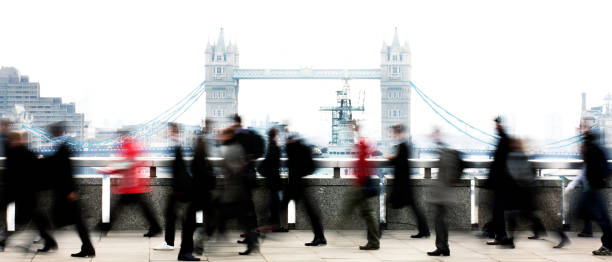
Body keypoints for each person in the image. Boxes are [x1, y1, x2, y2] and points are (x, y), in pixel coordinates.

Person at [44, 122, 95, 257]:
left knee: (75, 221)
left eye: (52, 130)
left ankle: (47, 241)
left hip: (66, 192)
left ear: (57, 131)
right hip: (65, 191)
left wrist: (71, 191)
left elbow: (65, 170)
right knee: (76, 221)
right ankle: (87, 247)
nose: (50, 133)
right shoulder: (63, 145)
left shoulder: (63, 146)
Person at [98, 131, 161, 238]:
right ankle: (155, 227)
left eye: (118, 138)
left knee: (119, 208)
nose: (117, 140)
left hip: (132, 185)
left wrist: (109, 171)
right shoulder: (132, 145)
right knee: (142, 208)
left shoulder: (128, 146)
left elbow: (126, 164)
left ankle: (104, 226)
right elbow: (128, 164)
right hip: (133, 185)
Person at [0, 131, 55, 253]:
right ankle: (49, 240)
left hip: (21, 193)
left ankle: (3, 241)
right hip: (25, 193)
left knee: (25, 219)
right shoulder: (24, 153)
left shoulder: (17, 153)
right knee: (32, 218)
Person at [215, 126, 259, 255]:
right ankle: (252, 244)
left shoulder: (231, 149)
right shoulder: (235, 147)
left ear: (228, 136)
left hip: (235, 191)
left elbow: (235, 169)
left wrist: (227, 166)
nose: (220, 137)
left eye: (222, 135)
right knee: (243, 220)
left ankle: (211, 238)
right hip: (237, 191)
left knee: (225, 216)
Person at [177, 131, 216, 261]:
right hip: (201, 197)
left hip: (197, 197)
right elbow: (208, 179)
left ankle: (187, 250)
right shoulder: (202, 161)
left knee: (191, 225)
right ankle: (187, 251)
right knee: (196, 225)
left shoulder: (197, 159)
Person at [341, 121, 380, 250]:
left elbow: (362, 144)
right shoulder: (364, 146)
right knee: (367, 212)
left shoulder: (363, 145)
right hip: (362, 181)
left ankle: (374, 241)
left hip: (362, 182)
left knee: (368, 213)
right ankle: (374, 240)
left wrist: (357, 130)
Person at [155, 123, 192, 252]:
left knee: (171, 214)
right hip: (183, 185)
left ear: (172, 131)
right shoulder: (179, 144)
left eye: (169, 130)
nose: (167, 132)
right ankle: (174, 242)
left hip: (179, 187)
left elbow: (178, 168)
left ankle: (170, 242)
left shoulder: (176, 145)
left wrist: (174, 186)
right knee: (178, 214)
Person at [387, 124, 430, 238]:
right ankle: (424, 230)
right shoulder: (404, 145)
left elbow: (400, 163)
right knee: (413, 207)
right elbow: (401, 161)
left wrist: (391, 158)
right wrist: (393, 158)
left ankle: (378, 229)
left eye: (395, 132)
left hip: (402, 184)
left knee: (393, 203)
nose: (393, 135)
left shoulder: (403, 145)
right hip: (404, 183)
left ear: (399, 133)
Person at [284, 132, 327, 246]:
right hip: (299, 184)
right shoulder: (303, 148)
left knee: (310, 212)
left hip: (296, 184)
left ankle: (319, 237)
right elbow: (310, 167)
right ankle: (320, 237)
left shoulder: (295, 149)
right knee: (311, 212)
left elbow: (296, 162)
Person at [504, 138, 546, 248]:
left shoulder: (515, 156)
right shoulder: (521, 155)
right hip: (524, 190)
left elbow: (516, 174)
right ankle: (512, 239)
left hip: (521, 191)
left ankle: (512, 240)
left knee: (515, 215)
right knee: (523, 215)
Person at [577, 130, 612, 255]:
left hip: (593, 189)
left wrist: (595, 181)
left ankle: (608, 246)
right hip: (594, 188)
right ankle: (607, 244)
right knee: (601, 217)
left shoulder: (593, 151)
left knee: (602, 218)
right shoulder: (596, 150)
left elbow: (598, 170)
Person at [427, 128, 461, 256]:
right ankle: (443, 247)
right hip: (445, 192)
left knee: (439, 221)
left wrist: (440, 188)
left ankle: (442, 247)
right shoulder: (446, 151)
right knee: (441, 221)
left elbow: (447, 174)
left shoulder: (446, 153)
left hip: (443, 193)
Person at [484, 117, 513, 247]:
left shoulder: (504, 141)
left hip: (501, 183)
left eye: (497, 125)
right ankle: (500, 236)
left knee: (498, 211)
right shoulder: (503, 140)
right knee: (497, 211)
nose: (496, 127)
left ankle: (502, 237)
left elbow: (500, 164)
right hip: (501, 183)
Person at [257, 127, 287, 232]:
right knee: (275, 201)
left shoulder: (270, 145)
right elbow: (273, 163)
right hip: (274, 179)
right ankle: (273, 223)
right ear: (275, 135)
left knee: (274, 201)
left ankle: (275, 223)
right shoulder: (274, 146)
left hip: (271, 179)